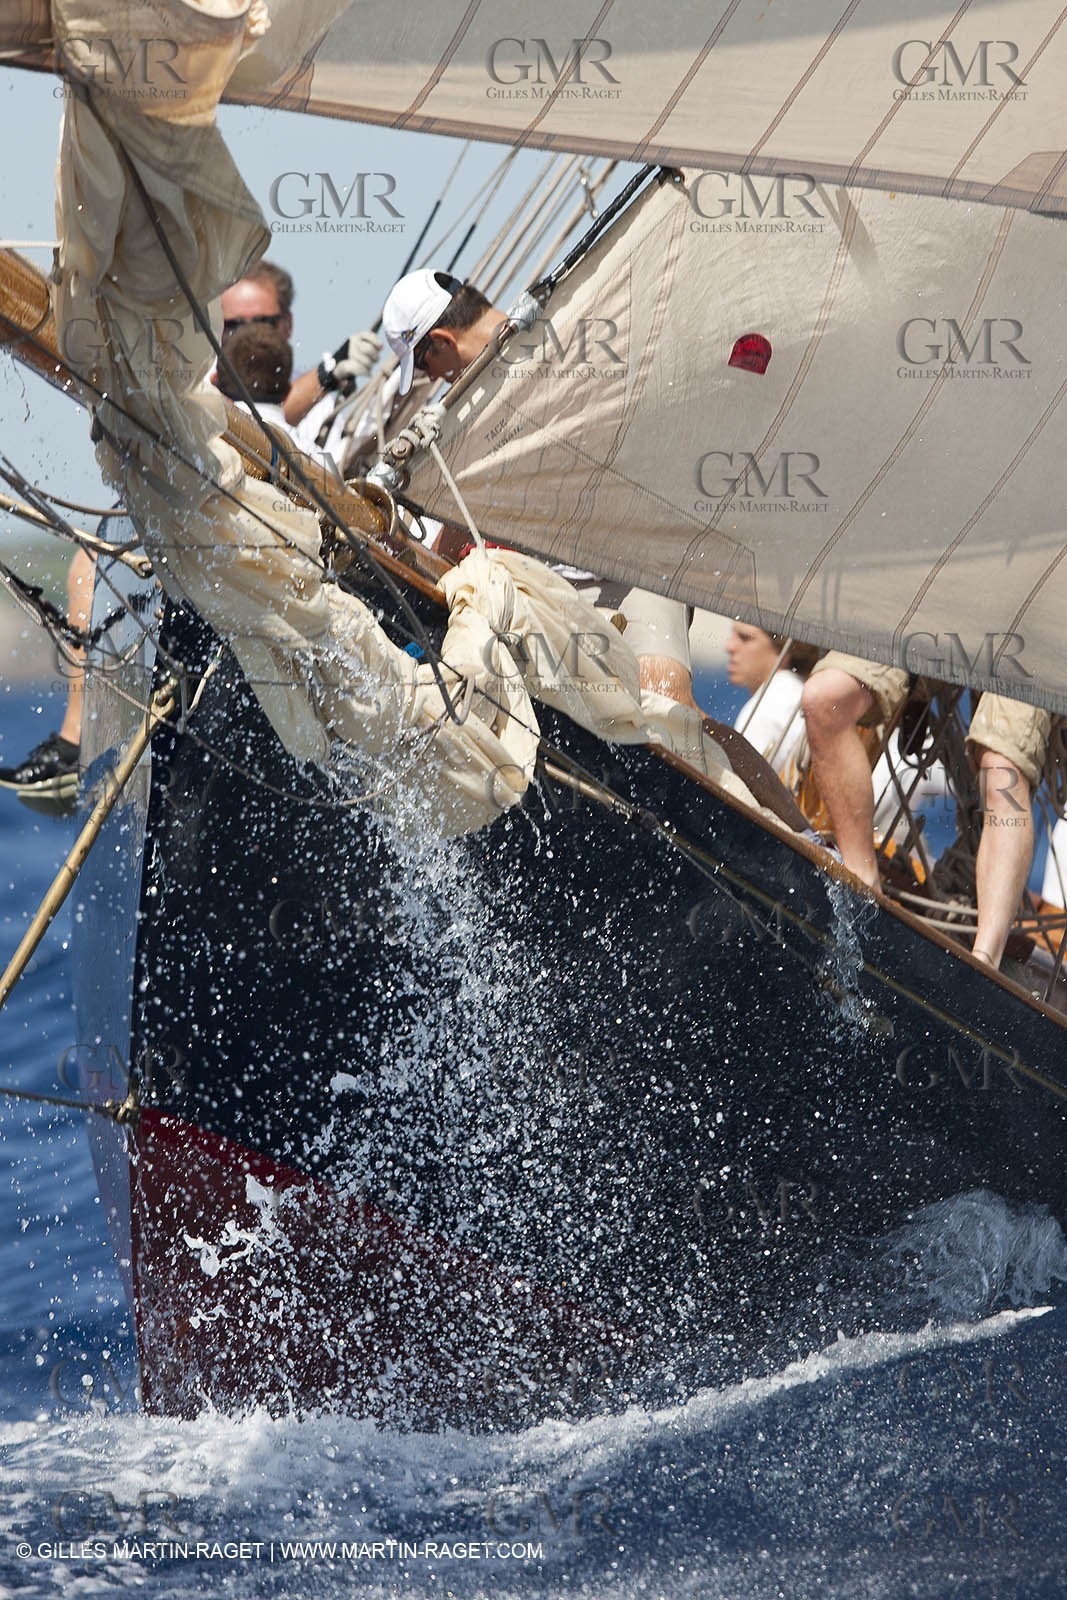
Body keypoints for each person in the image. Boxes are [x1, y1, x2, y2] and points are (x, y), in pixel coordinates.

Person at [380, 268, 704, 711]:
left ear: (441, 341)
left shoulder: (568, 342)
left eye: (423, 364)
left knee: (666, 702)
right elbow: (457, 532)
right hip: (559, 593)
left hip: (639, 565)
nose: (434, 379)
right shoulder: (466, 415)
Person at [802, 651, 1049, 970]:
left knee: (1002, 770)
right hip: (943, 612)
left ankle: (984, 963)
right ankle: (864, 894)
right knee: (825, 699)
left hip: (1030, 630)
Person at [218, 260, 380, 453]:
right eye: (234, 325)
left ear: (288, 324)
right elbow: (246, 420)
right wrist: (328, 374)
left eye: (262, 322)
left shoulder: (321, 410)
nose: (248, 335)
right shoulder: (195, 383)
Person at [726, 622, 809, 781]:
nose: (729, 646)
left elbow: (742, 789)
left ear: (782, 649)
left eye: (745, 638)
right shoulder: (795, 691)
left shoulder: (768, 706)